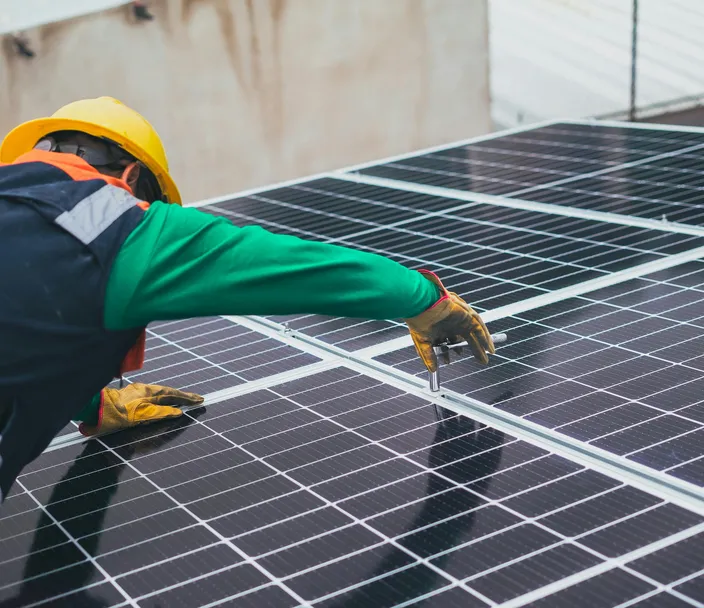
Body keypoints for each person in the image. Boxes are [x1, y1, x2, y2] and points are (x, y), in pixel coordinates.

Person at [0, 97, 494, 502]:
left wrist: (90, 404)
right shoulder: (125, 229)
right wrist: (427, 301)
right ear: (132, 179)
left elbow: (29, 315)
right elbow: (304, 268)